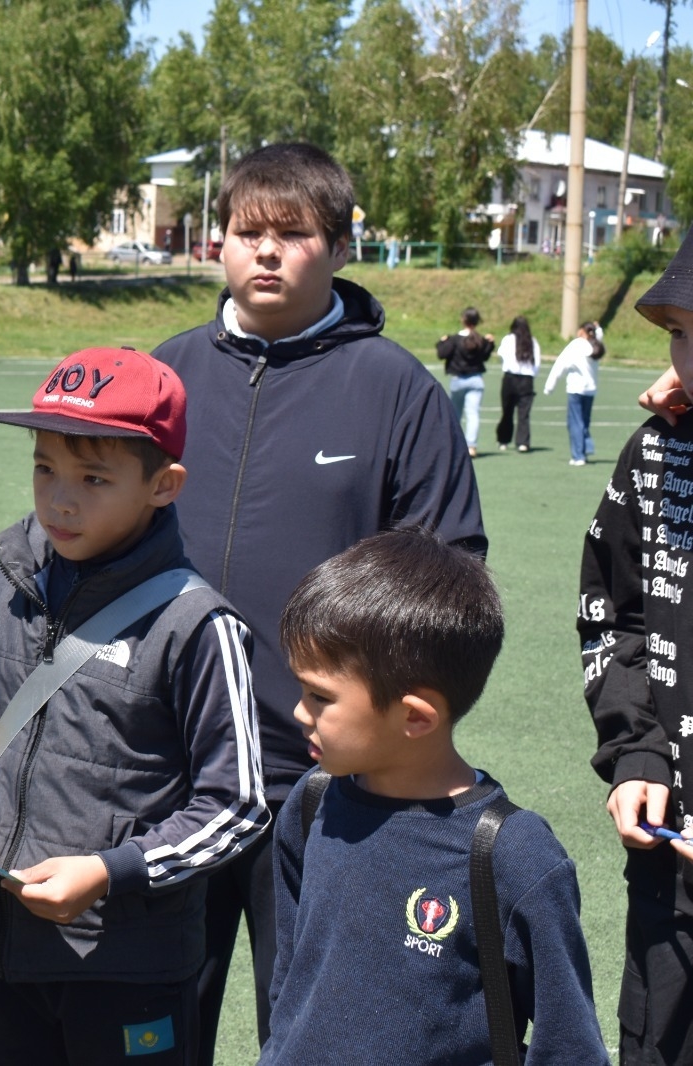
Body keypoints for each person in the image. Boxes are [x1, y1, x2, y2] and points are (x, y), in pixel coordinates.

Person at [148, 142, 485, 1062]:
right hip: (166, 768)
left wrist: (365, 728)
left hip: (321, 780)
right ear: (215, 242)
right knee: (152, 1023)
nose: (264, 251)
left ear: (338, 246)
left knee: (310, 1029)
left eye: (291, 234)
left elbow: (449, 582)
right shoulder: (163, 378)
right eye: (244, 231)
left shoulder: (397, 390)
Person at [0, 348, 269, 1066]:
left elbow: (236, 806)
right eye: (45, 468)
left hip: (125, 967)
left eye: (93, 478)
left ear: (164, 485)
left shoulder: (196, 625)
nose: (60, 499)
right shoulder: (8, 581)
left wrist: (109, 873)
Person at [262, 529, 606, 1065]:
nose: (300, 713)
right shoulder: (313, 803)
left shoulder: (512, 853)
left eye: (320, 696)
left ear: (416, 717)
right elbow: (290, 980)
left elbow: (569, 1044)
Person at [578, 240, 693, 1066]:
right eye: (681, 333)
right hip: (673, 872)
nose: (689, 358)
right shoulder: (658, 454)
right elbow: (613, 619)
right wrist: (639, 754)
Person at [436, 306, 495, 457]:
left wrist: (442, 342)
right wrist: (490, 343)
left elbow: (442, 354)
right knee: (473, 414)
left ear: (463, 320)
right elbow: (485, 355)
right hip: (476, 380)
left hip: (458, 381)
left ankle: (453, 444)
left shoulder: (455, 339)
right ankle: (471, 446)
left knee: (455, 414)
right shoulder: (480, 340)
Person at [544, 320, 605, 466]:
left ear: (582, 331)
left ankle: (578, 456)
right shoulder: (594, 344)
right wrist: (598, 328)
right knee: (584, 422)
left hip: (576, 389)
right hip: (590, 390)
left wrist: (549, 387)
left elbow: (560, 364)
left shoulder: (576, 345)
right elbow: (599, 336)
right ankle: (585, 449)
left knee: (575, 423)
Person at [493, 315, 541, 453]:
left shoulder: (508, 339)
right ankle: (523, 442)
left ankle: (503, 439)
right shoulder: (532, 341)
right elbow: (536, 362)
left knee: (507, 411)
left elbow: (502, 354)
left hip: (510, 378)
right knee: (523, 413)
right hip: (527, 380)